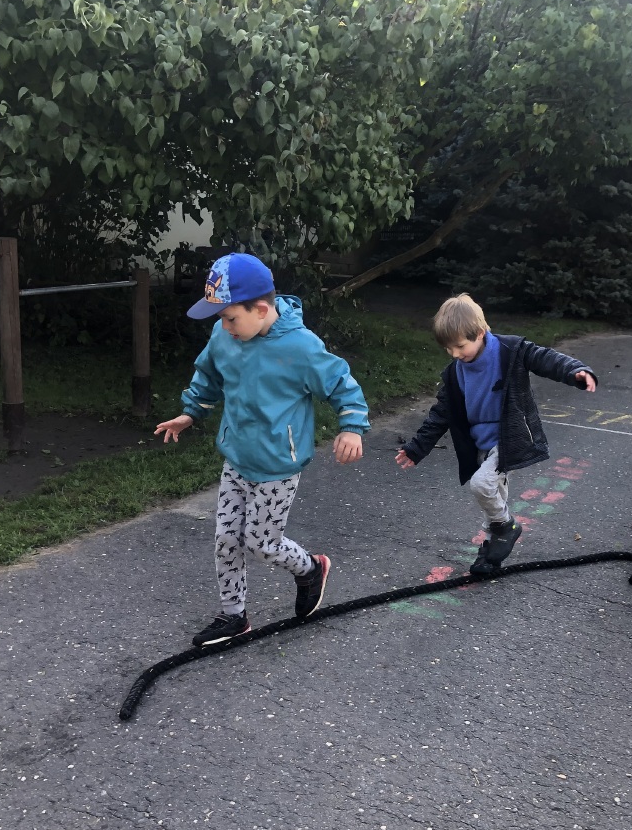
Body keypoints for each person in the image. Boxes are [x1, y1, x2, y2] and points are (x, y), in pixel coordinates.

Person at [155, 253, 370, 646]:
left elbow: (342, 384)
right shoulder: (226, 335)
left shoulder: (301, 347)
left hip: (277, 465)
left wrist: (352, 427)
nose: (224, 327)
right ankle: (234, 616)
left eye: (230, 318)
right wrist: (190, 413)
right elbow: (208, 374)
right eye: (220, 318)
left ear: (260, 309)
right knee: (226, 538)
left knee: (261, 544)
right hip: (237, 457)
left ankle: (310, 569)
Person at [395, 293, 597, 575]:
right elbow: (441, 413)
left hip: (508, 438)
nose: (455, 354)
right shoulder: (456, 372)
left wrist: (575, 371)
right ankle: (491, 556)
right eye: (448, 348)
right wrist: (417, 447)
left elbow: (545, 358)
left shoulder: (509, 350)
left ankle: (507, 526)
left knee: (482, 485)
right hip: (480, 443)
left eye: (460, 346)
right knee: (494, 498)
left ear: (479, 333)